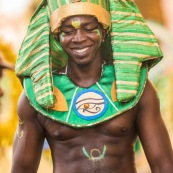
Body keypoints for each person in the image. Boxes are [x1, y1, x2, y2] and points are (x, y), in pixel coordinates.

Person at [11, 0, 173, 172]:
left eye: (89, 29)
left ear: (104, 31)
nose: (79, 38)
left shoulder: (135, 87)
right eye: (67, 31)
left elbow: (164, 166)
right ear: (56, 36)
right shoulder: (39, 94)